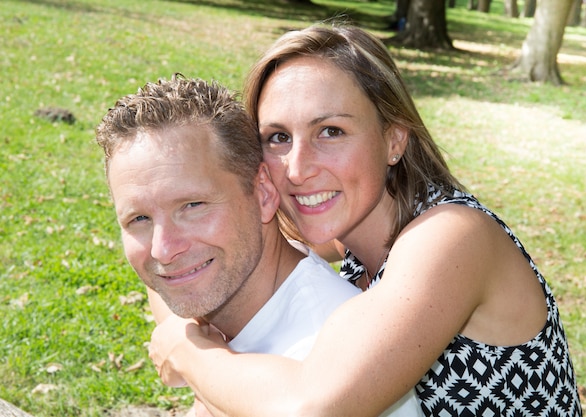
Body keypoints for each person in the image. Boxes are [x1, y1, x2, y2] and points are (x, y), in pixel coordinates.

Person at [148, 25, 582, 417]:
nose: (297, 169)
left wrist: (189, 350)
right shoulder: (350, 231)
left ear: (393, 139)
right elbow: (191, 257)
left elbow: (314, 408)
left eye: (330, 131)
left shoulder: (451, 237)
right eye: (278, 137)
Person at [95, 75, 420, 417]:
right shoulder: (235, 296)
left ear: (264, 193)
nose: (163, 250)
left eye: (192, 206)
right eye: (139, 220)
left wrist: (188, 350)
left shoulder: (330, 358)